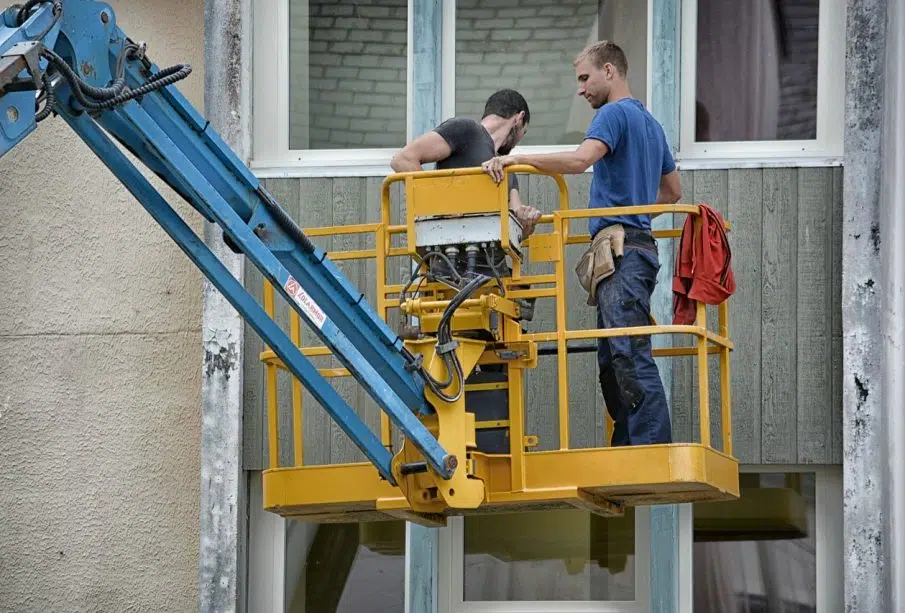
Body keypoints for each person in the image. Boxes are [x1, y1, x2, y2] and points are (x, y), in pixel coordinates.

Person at [481, 41, 682, 447]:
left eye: (585, 77)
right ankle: (630, 444)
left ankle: (647, 447)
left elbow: (579, 161)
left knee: (624, 350)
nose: (580, 88)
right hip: (635, 248)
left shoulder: (613, 114)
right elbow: (674, 192)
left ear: (610, 71)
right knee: (614, 356)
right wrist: (635, 216)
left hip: (622, 252)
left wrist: (516, 161)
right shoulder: (651, 123)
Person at [390, 89, 542, 238]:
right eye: (524, 132)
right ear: (519, 119)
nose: (518, 142)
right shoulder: (466, 130)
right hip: (449, 256)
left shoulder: (509, 170)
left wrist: (527, 222)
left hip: (491, 260)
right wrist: (442, 207)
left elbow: (517, 221)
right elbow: (403, 160)